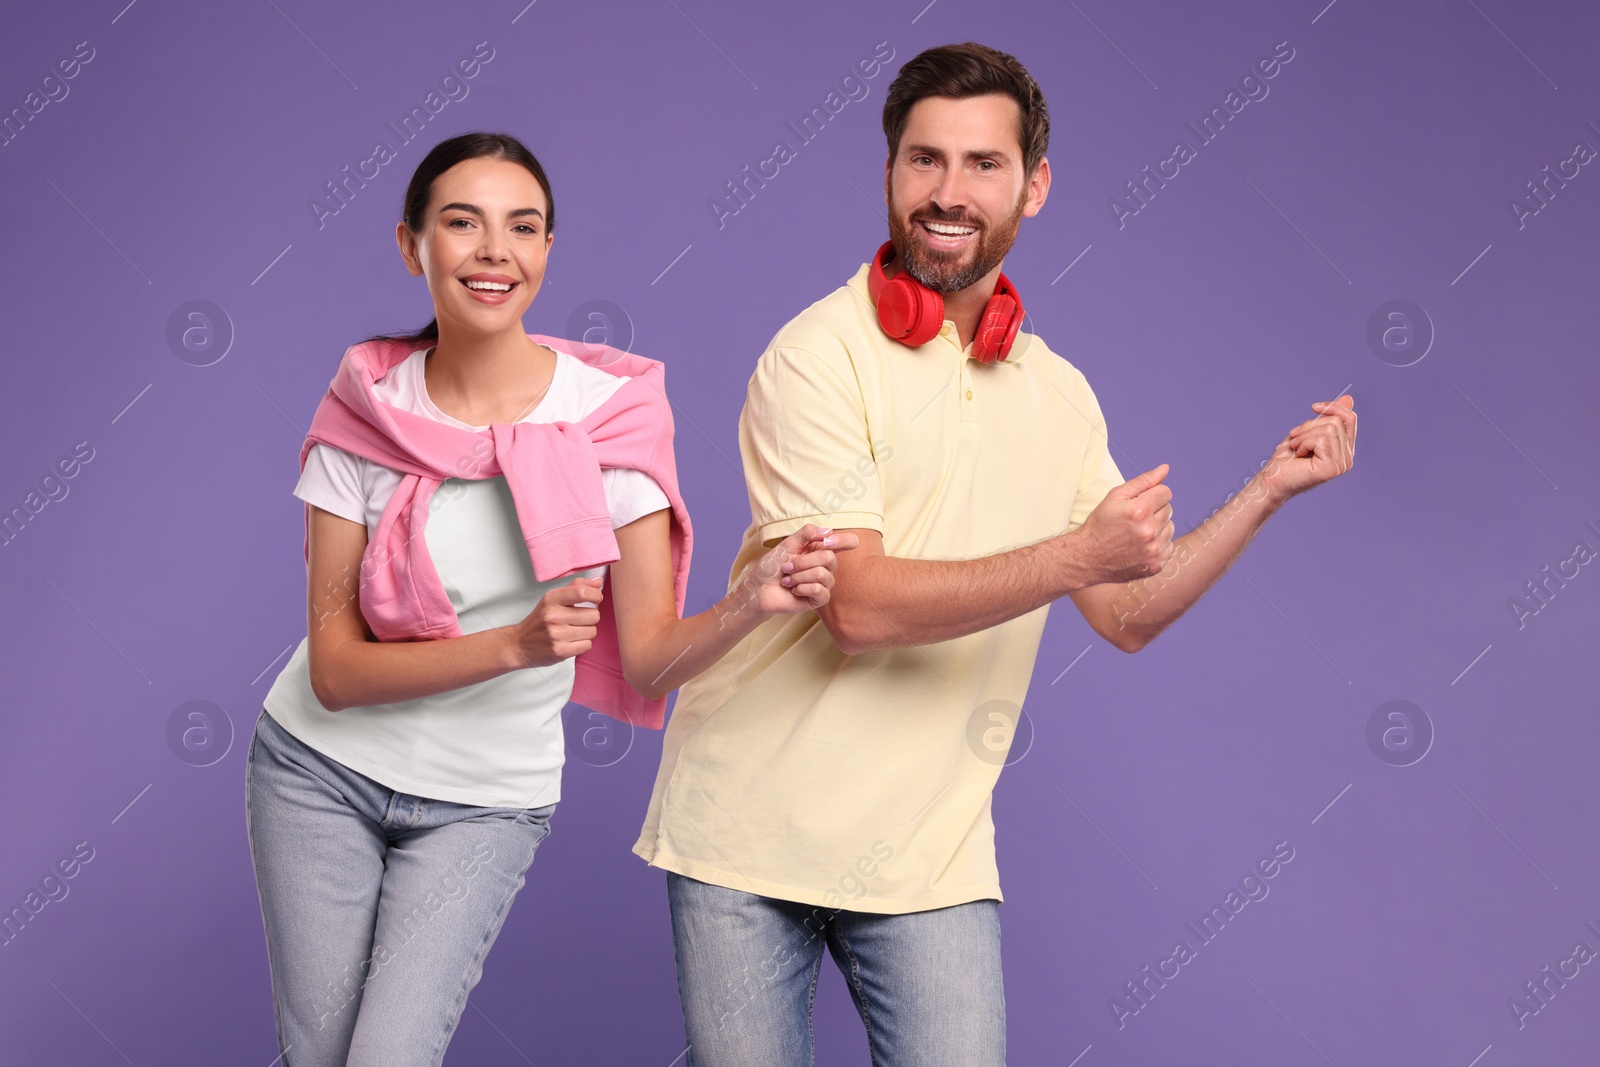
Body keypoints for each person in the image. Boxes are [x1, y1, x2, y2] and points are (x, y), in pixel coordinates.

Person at [633, 42, 1358, 1066]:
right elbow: (859, 606)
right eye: (924, 160)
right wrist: (1074, 554)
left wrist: (1267, 489)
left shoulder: (1056, 392)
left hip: (932, 854)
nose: (948, 191)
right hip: (747, 837)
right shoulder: (817, 357)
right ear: (888, 173)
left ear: (1034, 184)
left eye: (981, 164)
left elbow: (1128, 613)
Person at [244, 130, 852, 1067]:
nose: (495, 251)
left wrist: (753, 601)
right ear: (413, 246)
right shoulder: (368, 409)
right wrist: (514, 646)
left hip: (482, 803)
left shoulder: (610, 421)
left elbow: (648, 655)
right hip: (315, 773)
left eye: (522, 228)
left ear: (547, 253)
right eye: (463, 223)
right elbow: (333, 670)